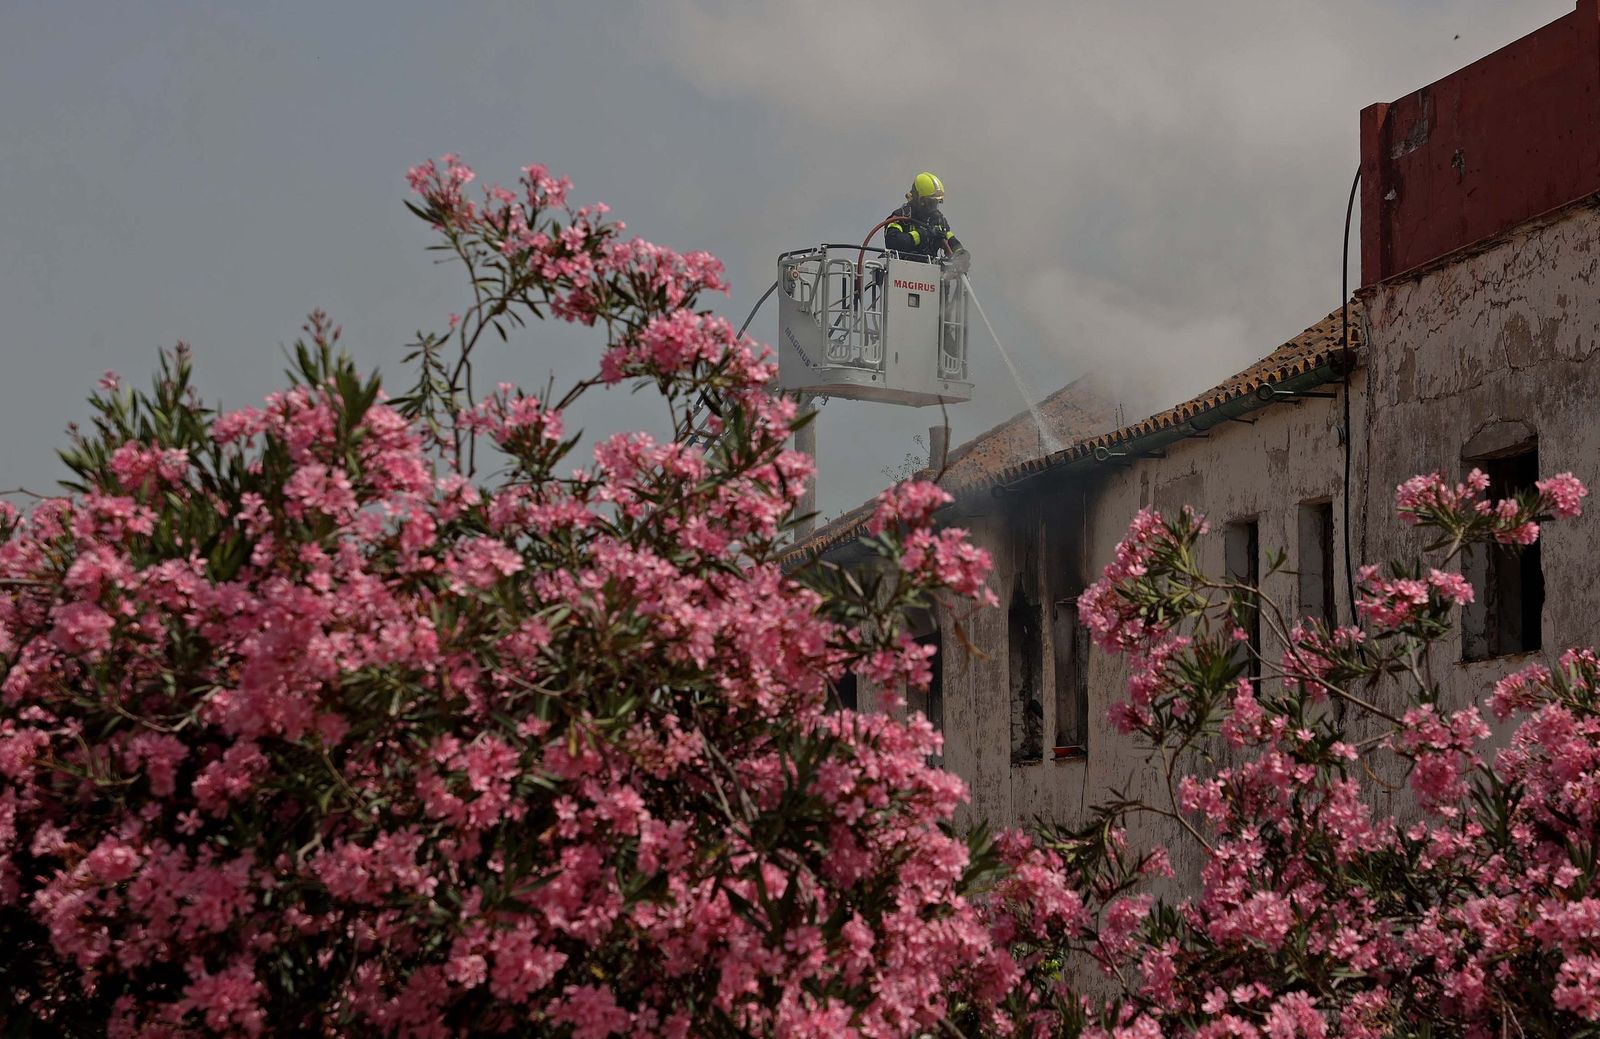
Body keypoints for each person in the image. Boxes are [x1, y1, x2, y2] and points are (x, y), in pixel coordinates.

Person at [884, 172, 971, 274]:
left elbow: (950, 239)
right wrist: (923, 235)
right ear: (919, 199)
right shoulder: (901, 217)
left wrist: (960, 253)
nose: (934, 207)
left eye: (936, 202)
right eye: (931, 202)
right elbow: (892, 241)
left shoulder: (938, 220)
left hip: (931, 275)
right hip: (903, 274)